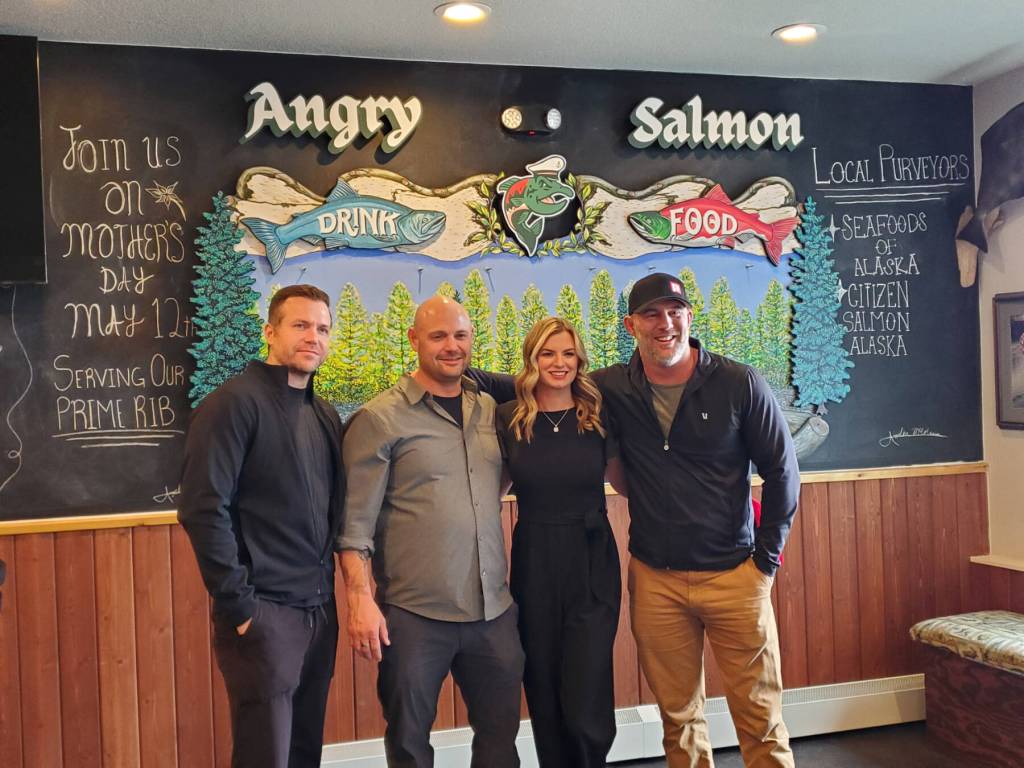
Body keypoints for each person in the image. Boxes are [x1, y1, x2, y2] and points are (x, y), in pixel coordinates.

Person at [592, 272, 800, 768]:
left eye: (675, 310)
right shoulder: (611, 387)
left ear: (689, 316)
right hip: (655, 581)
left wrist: (765, 565)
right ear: (631, 325)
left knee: (760, 718)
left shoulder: (738, 382)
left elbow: (783, 473)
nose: (665, 323)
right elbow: (539, 379)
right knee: (679, 720)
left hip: (735, 575)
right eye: (651, 313)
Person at [339, 295, 524, 768]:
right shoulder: (380, 419)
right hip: (415, 615)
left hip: (493, 611)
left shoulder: (488, 409)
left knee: (501, 744)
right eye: (438, 335)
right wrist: (359, 598)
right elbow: (354, 524)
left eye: (460, 335)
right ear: (414, 340)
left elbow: (494, 479)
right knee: (409, 745)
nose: (451, 346)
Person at [178, 284, 345, 768]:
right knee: (264, 756)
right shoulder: (232, 405)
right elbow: (202, 510)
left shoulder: (324, 414)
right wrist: (242, 607)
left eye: (322, 328)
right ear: (270, 332)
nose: (313, 337)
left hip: (318, 613)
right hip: (264, 617)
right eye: (300, 325)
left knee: (302, 753)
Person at [495, 316, 627, 768]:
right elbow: (492, 489)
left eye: (568, 353)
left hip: (591, 557)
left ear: (579, 359)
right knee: (544, 680)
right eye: (547, 353)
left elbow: (628, 481)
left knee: (586, 685)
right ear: (532, 359)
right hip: (534, 557)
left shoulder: (597, 413)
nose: (559, 363)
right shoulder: (509, 417)